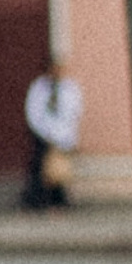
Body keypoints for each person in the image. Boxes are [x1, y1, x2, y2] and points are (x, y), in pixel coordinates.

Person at [22, 56, 83, 210]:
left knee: (60, 171)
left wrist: (66, 135)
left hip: (63, 136)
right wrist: (43, 132)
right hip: (43, 135)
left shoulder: (70, 88)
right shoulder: (39, 87)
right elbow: (33, 111)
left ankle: (59, 201)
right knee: (40, 169)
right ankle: (36, 201)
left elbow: (74, 112)